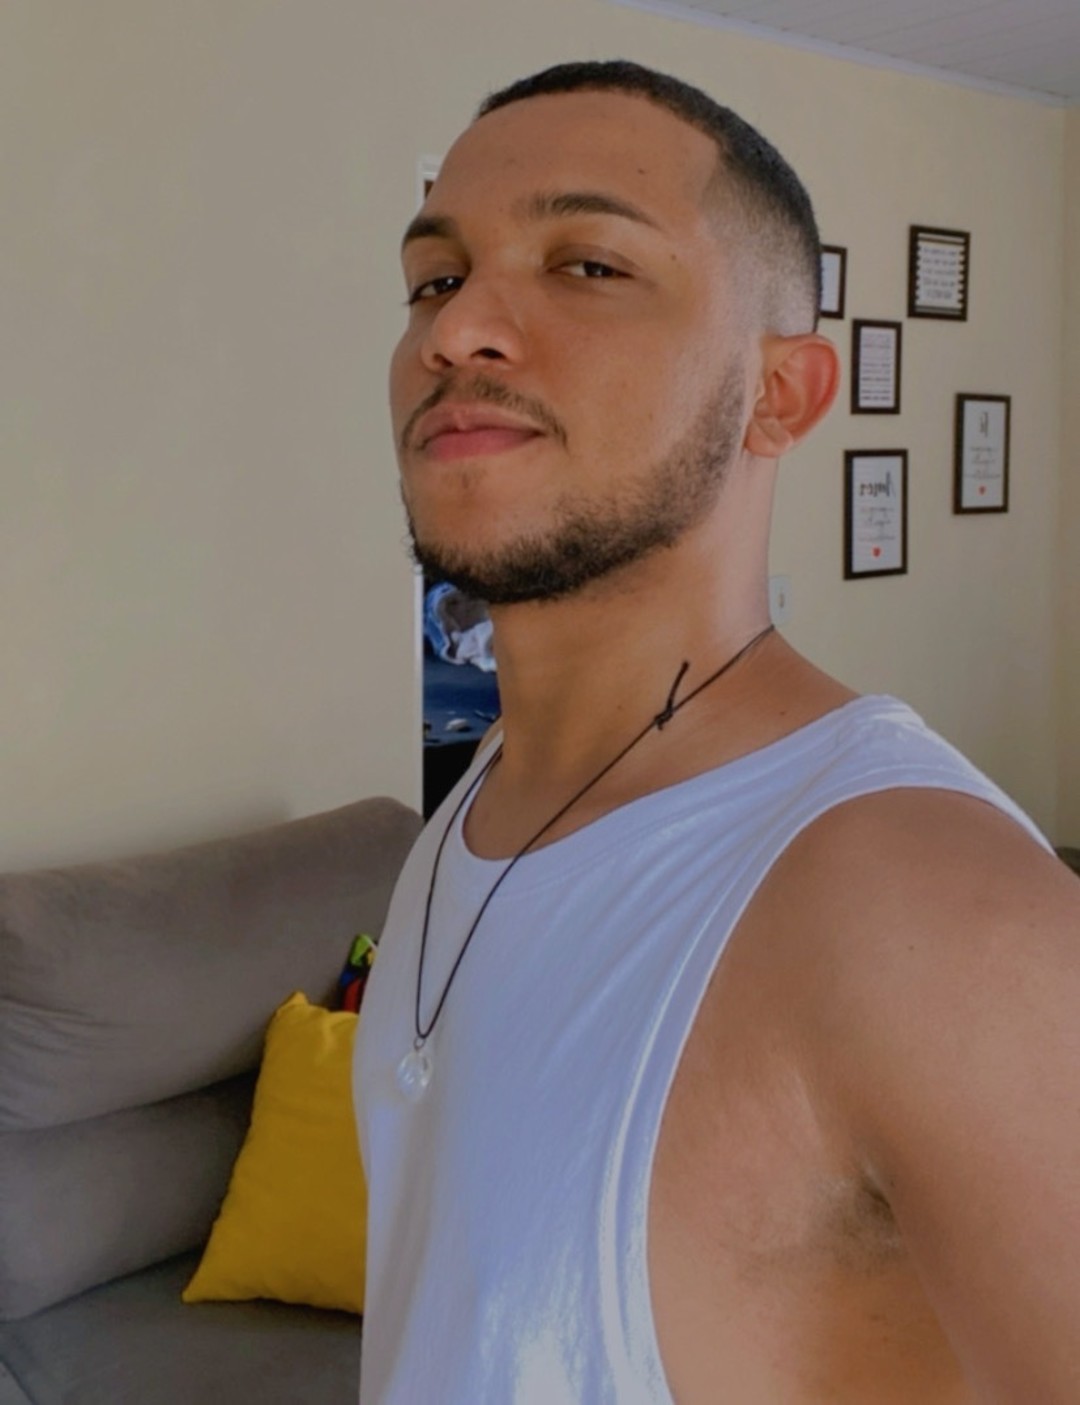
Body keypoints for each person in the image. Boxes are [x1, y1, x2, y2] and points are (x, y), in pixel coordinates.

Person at [353, 60, 1080, 1403]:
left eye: (588, 266)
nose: (458, 331)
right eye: (434, 277)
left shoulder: (937, 914)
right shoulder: (480, 805)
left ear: (782, 394)